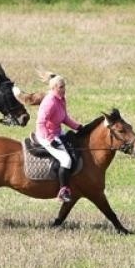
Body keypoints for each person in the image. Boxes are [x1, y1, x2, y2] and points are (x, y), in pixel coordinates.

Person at [34, 73, 82, 201]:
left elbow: (64, 118)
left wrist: (78, 127)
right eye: (61, 87)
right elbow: (40, 123)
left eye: (64, 86)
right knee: (66, 160)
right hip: (46, 136)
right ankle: (63, 191)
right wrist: (50, 139)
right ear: (53, 88)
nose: (64, 89)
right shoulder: (49, 102)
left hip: (58, 132)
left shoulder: (61, 99)